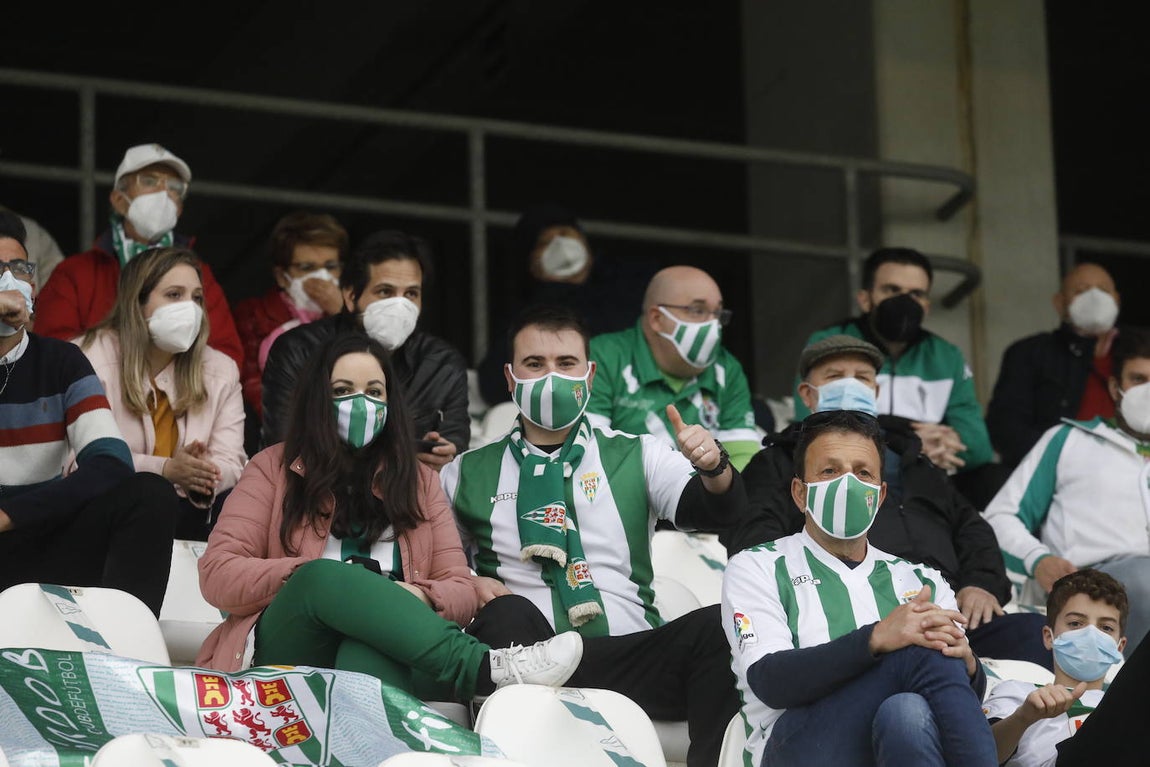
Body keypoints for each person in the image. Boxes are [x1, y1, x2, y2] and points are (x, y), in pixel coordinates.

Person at [196, 333, 582, 701]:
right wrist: (328, 583)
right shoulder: (271, 468)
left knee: (367, 646)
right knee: (322, 576)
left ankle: (376, 739)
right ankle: (479, 666)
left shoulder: (420, 481)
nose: (361, 403)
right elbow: (218, 573)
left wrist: (419, 594)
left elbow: (461, 589)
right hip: (293, 649)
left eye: (374, 392)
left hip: (397, 651)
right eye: (342, 391)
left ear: (391, 402)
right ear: (317, 399)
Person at [442, 305, 746, 767]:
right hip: (527, 654)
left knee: (723, 624)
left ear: (589, 375)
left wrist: (714, 466)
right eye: (534, 364)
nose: (551, 377)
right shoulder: (464, 473)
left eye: (566, 363)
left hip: (632, 659)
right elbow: (432, 569)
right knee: (505, 613)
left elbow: (719, 512)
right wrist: (469, 581)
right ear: (509, 378)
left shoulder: (638, 453)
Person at [723, 334, 1051, 666]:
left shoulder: (916, 460)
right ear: (807, 394)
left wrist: (981, 583)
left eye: (862, 378)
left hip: (947, 611)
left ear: (875, 391)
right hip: (854, 620)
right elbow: (754, 541)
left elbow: (971, 527)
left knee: (1035, 634)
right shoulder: (779, 461)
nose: (850, 385)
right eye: (835, 376)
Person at [722, 409, 997, 766]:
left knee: (906, 713)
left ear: (880, 497)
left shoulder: (923, 579)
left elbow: (956, 692)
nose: (847, 483)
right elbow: (771, 682)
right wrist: (877, 638)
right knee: (921, 651)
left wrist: (970, 665)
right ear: (800, 493)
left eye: (863, 472)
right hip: (792, 749)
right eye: (829, 471)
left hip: (893, 742)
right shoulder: (757, 565)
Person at [0, 211, 177, 616]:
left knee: (149, 494)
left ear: (33, 286)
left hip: (38, 541)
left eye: (20, 269)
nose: (10, 280)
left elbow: (111, 463)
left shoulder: (62, 361)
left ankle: (126, 639)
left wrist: (11, 514)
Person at [982, 326, 1150, 658]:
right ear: (1115, 388)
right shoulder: (1069, 440)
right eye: (1138, 379)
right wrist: (1038, 559)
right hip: (1089, 585)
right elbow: (999, 517)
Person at [77, 247, 246, 541]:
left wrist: (201, 472)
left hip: (192, 513)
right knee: (150, 492)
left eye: (197, 298)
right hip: (104, 519)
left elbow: (233, 461)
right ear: (137, 302)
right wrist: (166, 469)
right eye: (174, 295)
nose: (190, 308)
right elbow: (78, 460)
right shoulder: (88, 357)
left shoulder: (221, 369)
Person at [261, 230, 467, 470]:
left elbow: (456, 444)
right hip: (314, 488)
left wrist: (447, 456)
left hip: (409, 491)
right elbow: (282, 448)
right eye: (385, 292)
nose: (400, 305)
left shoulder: (442, 364)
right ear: (350, 295)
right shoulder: (299, 351)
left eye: (411, 294)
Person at [33, 143, 243, 369]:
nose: (163, 193)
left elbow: (227, 357)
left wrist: (167, 380)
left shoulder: (200, 276)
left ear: (179, 209)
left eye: (174, 186)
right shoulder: (76, 273)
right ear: (118, 200)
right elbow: (50, 352)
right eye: (149, 181)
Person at [794, 247, 993, 475]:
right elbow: (808, 425)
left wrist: (933, 447)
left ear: (927, 306)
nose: (905, 302)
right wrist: (911, 443)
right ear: (865, 299)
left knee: (992, 478)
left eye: (916, 294)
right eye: (892, 290)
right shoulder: (830, 344)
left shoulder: (947, 356)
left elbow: (978, 446)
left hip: (928, 474)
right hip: (852, 473)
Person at [475, 202, 654, 406]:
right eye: (545, 242)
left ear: (587, 248)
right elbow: (494, 385)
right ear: (532, 263)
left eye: (566, 235)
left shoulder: (627, 293)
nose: (560, 245)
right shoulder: (524, 315)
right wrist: (552, 292)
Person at [585, 264, 760, 470]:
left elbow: (744, 461)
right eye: (698, 310)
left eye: (718, 314)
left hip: (705, 490)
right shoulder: (604, 357)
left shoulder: (727, 369)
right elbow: (588, 450)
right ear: (657, 319)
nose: (713, 324)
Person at [983, 569, 1127, 767]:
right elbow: (978, 755)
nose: (1092, 634)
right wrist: (1023, 717)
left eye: (1106, 628)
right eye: (1076, 623)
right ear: (1048, 637)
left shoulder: (1130, 707)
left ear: (1119, 647)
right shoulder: (1017, 693)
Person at [987, 263, 1122, 468]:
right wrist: (1065, 456)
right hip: (1052, 473)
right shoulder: (1029, 353)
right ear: (1060, 303)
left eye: (1103, 290)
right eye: (1081, 291)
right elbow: (1005, 429)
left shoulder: (1138, 354)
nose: (1095, 297)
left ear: (1116, 300)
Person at [232, 211, 348, 419]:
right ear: (282, 276)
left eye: (331, 266)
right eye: (307, 267)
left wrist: (343, 313)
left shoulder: (354, 312)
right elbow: (253, 385)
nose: (322, 277)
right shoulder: (255, 315)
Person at [0, 204, 65, 289]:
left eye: (19, 269)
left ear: (32, 288)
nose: (7, 279)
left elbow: (57, 285)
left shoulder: (35, 234)